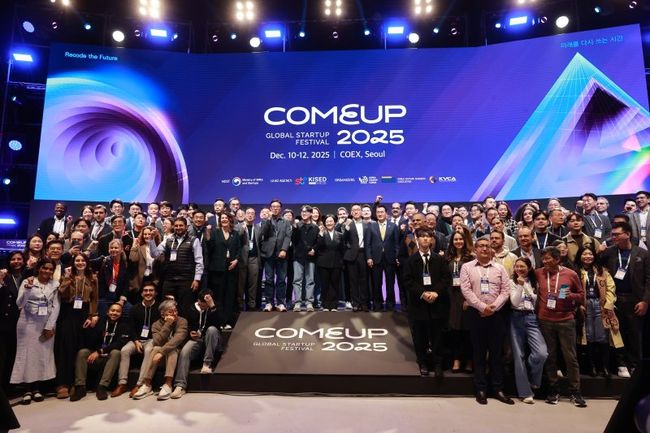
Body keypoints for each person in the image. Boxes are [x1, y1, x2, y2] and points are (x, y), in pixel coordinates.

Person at [460, 238, 514, 405]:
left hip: (496, 316)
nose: (484, 248)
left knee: (497, 354)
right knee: (479, 353)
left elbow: (506, 290)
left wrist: (493, 308)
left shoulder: (499, 268)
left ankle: (498, 389)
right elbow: (466, 290)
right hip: (476, 315)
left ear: (491, 250)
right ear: (475, 249)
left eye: (487, 246)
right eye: (481, 246)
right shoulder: (467, 267)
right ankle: (481, 389)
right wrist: (482, 307)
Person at [535, 246, 587, 407]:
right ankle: (553, 389)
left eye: (548, 259)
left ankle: (575, 391)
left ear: (558, 259)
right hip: (544, 320)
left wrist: (569, 295)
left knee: (570, 357)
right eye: (543, 259)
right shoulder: (538, 273)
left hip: (565, 320)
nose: (544, 261)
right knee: (550, 357)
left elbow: (581, 295)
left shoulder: (570, 274)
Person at [599, 221, 649, 376]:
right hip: (614, 299)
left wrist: (645, 301)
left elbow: (649, 279)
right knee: (616, 333)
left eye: (616, 234)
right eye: (612, 234)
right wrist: (598, 252)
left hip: (635, 300)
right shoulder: (609, 252)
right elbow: (596, 268)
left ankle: (635, 365)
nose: (613, 237)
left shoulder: (643, 254)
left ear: (627, 234)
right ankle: (620, 364)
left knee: (635, 334)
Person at [10, 258, 60, 405]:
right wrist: (27, 289)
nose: (47, 271)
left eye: (50, 269)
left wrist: (49, 326)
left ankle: (37, 388)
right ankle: (27, 389)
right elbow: (19, 303)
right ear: (39, 268)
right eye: (45, 268)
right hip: (27, 323)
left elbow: (56, 307)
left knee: (41, 356)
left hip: (46, 323)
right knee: (27, 355)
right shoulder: (28, 281)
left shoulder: (55, 285)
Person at [405, 229, 451, 377]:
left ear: (432, 240)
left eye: (428, 236)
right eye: (422, 236)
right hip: (419, 304)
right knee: (420, 335)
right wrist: (422, 293)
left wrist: (436, 292)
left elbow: (446, 278)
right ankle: (423, 362)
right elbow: (408, 281)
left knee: (437, 334)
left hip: (437, 303)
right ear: (417, 239)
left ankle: (437, 363)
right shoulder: (411, 260)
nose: (425, 239)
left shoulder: (439, 259)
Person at [54, 253, 99, 399]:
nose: (80, 263)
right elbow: (61, 292)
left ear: (87, 263)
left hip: (83, 314)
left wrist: (92, 315)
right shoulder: (67, 276)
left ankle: (76, 383)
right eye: (77, 260)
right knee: (65, 348)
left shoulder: (92, 278)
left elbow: (94, 299)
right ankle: (63, 383)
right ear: (73, 263)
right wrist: (67, 278)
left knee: (79, 348)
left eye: (82, 260)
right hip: (68, 313)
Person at [575, 245, 623, 377]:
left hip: (601, 305)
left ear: (594, 256)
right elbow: (569, 290)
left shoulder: (602, 271)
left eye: (590, 254)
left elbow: (611, 288)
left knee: (603, 336)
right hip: (585, 306)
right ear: (579, 256)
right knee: (589, 336)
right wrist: (578, 305)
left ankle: (605, 367)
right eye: (584, 254)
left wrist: (608, 304)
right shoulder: (576, 272)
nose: (587, 256)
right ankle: (592, 367)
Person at [70, 303, 130, 401]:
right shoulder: (99, 322)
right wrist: (91, 327)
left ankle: (102, 387)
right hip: (96, 354)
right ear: (107, 312)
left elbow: (120, 343)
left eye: (118, 311)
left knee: (116, 352)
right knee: (82, 352)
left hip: (109, 356)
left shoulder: (124, 325)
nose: (114, 313)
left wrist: (100, 351)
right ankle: (80, 387)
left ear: (121, 313)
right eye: (112, 310)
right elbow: (90, 341)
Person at [171, 290, 224, 399]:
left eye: (204, 306)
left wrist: (212, 307)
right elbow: (186, 325)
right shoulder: (191, 308)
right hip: (196, 340)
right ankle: (180, 385)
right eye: (200, 304)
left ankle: (206, 364)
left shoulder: (216, 306)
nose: (202, 307)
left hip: (212, 340)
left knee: (212, 330)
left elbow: (221, 323)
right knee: (185, 352)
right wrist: (191, 333)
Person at [111, 282, 160, 398]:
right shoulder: (134, 308)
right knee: (124, 350)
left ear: (155, 293)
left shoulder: (159, 308)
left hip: (152, 339)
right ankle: (122, 383)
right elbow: (131, 328)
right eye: (145, 290)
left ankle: (140, 384)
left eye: (151, 290)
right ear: (142, 293)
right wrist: (136, 341)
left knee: (148, 351)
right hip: (136, 339)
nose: (148, 293)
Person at [509, 257, 548, 404]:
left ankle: (533, 379)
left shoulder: (535, 282)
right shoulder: (511, 282)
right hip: (516, 317)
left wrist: (528, 288)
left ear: (529, 268)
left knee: (541, 353)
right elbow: (514, 302)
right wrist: (520, 286)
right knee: (519, 356)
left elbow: (536, 301)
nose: (519, 269)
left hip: (531, 317)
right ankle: (525, 393)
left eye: (522, 266)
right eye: (517, 266)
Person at [132, 300, 188, 401]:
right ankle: (147, 385)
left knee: (171, 349)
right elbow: (157, 341)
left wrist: (162, 352)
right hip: (160, 358)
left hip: (176, 354)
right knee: (155, 348)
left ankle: (168, 385)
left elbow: (177, 340)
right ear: (162, 314)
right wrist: (168, 324)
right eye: (170, 312)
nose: (174, 314)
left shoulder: (182, 321)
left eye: (175, 311)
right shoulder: (156, 325)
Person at [152, 217, 204, 318]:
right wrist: (151, 240)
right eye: (176, 226)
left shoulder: (194, 240)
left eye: (181, 225)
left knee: (184, 308)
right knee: (166, 307)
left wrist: (197, 279)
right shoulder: (168, 239)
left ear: (186, 227)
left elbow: (199, 261)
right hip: (169, 279)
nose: (178, 227)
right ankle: (167, 327)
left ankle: (182, 327)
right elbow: (155, 254)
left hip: (186, 279)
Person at [445, 228, 474, 373]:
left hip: (465, 297)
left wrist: (469, 299)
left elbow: (474, 280)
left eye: (461, 239)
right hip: (451, 297)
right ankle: (456, 359)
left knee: (467, 329)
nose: (458, 241)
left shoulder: (471, 258)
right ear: (452, 242)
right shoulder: (448, 258)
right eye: (455, 239)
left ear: (465, 240)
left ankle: (469, 360)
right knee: (454, 330)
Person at [206, 213, 241, 327]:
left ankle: (228, 321)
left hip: (231, 269)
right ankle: (219, 321)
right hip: (217, 270)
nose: (224, 220)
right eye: (222, 218)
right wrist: (208, 235)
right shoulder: (214, 233)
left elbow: (239, 249)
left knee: (229, 296)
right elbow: (209, 248)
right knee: (218, 296)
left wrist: (236, 260)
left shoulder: (235, 233)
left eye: (226, 218)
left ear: (230, 220)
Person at [260, 199, 292, 312]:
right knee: (269, 280)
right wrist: (268, 219)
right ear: (270, 208)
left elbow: (288, 236)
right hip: (268, 254)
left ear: (280, 209)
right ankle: (269, 302)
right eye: (273, 206)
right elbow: (263, 233)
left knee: (281, 280)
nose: (275, 208)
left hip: (281, 254)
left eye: (277, 206)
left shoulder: (286, 222)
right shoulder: (265, 220)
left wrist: (284, 249)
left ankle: (280, 303)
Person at [368, 204, 400, 311]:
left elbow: (396, 244)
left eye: (382, 212)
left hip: (390, 258)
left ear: (386, 213)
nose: (380, 214)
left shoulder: (393, 226)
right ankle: (378, 304)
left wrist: (396, 256)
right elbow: (368, 244)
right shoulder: (371, 226)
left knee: (390, 283)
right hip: (375, 258)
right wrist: (369, 257)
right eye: (378, 212)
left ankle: (390, 304)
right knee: (377, 283)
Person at [342, 204, 373, 311]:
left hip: (363, 254)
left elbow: (369, 242)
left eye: (358, 210)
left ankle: (364, 303)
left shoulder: (367, 224)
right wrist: (346, 229)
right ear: (351, 213)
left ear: (361, 212)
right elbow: (343, 240)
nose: (356, 212)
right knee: (353, 281)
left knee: (364, 280)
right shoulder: (348, 224)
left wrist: (369, 257)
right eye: (354, 210)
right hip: (351, 255)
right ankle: (355, 303)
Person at [0, 252, 25, 387]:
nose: (16, 261)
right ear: (9, 262)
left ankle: (11, 386)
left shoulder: (27, 276)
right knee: (3, 355)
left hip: (23, 321)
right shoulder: (4, 276)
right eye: (13, 259)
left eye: (19, 259)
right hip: (5, 321)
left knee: (15, 354)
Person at [291, 206, 319, 312]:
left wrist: (314, 249)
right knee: (297, 280)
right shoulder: (297, 226)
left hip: (310, 257)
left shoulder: (315, 227)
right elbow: (294, 241)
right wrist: (295, 228)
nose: (304, 213)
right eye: (302, 212)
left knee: (310, 280)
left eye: (306, 212)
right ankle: (297, 302)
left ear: (311, 214)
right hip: (298, 256)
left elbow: (317, 242)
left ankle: (309, 302)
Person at [316, 215, 345, 311]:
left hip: (336, 263)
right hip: (323, 263)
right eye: (327, 222)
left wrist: (341, 262)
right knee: (325, 284)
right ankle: (325, 305)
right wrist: (320, 234)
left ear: (334, 223)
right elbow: (319, 247)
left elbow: (342, 249)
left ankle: (334, 305)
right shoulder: (321, 234)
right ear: (324, 223)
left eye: (331, 221)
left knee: (335, 284)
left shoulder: (340, 235)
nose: (329, 223)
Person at [237, 207, 262, 311]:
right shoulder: (238, 227)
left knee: (253, 283)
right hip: (242, 258)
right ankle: (239, 304)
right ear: (244, 215)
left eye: (252, 213)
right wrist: (242, 230)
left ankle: (252, 304)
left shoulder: (258, 228)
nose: (250, 215)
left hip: (254, 258)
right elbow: (236, 240)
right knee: (241, 283)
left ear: (255, 216)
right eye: (248, 213)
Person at [97, 239, 129, 317]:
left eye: (116, 248)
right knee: (102, 314)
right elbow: (89, 262)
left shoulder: (126, 264)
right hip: (105, 296)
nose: (113, 249)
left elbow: (126, 283)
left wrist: (122, 299)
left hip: (119, 296)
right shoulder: (104, 261)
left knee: (128, 310)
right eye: (111, 248)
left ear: (121, 249)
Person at [128, 227, 162, 295]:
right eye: (145, 234)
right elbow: (133, 259)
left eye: (149, 234)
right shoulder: (139, 247)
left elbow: (161, 261)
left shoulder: (160, 247)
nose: (146, 236)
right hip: (141, 280)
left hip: (155, 279)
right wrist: (134, 246)